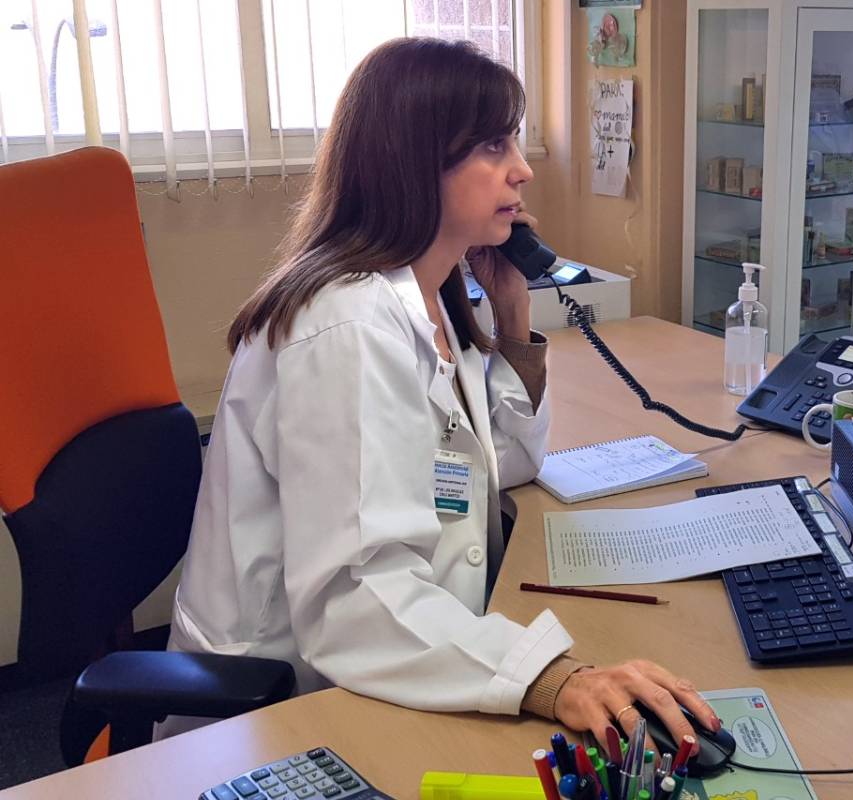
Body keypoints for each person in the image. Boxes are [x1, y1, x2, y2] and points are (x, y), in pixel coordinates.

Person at [162, 37, 717, 747]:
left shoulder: (427, 296)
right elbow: (357, 595)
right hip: (282, 707)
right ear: (413, 160)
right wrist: (553, 680)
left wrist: (513, 313)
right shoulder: (346, 325)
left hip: (400, 656)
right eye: (492, 145)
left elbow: (497, 464)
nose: (522, 169)